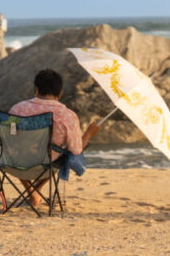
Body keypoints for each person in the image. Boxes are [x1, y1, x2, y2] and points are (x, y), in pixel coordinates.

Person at [8, 68, 101, 206]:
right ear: (60, 93)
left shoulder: (17, 109)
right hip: (47, 166)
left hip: (13, 164)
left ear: (36, 90)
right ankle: (35, 192)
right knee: (61, 156)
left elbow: (9, 139)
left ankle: (33, 193)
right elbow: (76, 151)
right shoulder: (67, 115)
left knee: (22, 150)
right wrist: (89, 133)